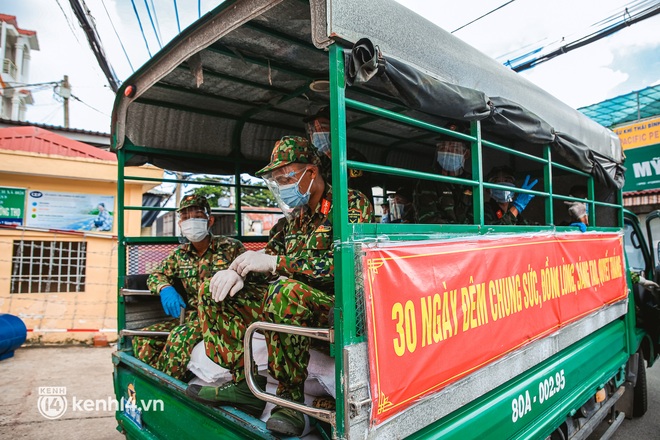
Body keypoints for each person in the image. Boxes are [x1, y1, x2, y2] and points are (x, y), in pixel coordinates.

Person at [186, 136, 373, 436]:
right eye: (276, 180)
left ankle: (289, 399)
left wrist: (276, 265)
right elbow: (266, 257)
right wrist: (237, 272)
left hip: (335, 303)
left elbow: (343, 268)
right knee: (218, 292)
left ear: (311, 173)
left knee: (284, 291)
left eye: (286, 178)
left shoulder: (349, 205)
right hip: (290, 299)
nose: (281, 186)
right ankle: (245, 383)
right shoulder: (293, 220)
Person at [132, 195, 247, 380]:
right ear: (180, 224)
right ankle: (157, 381)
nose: (191, 221)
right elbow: (156, 275)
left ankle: (167, 391)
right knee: (143, 338)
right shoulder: (180, 254)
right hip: (194, 317)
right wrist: (164, 288)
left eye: (197, 216)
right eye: (186, 217)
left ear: (210, 220)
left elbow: (253, 276)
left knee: (179, 337)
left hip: (224, 317)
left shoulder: (231, 248)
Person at [304, 106, 374, 201]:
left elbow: (356, 195)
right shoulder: (320, 161)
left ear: (337, 130)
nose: (316, 133)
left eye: (322, 127)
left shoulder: (353, 158)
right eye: (314, 129)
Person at [413, 130, 473, 224]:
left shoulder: (471, 181)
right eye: (443, 148)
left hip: (470, 236)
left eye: (454, 148)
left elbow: (476, 216)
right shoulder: (429, 178)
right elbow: (428, 218)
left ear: (466, 154)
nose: (447, 152)